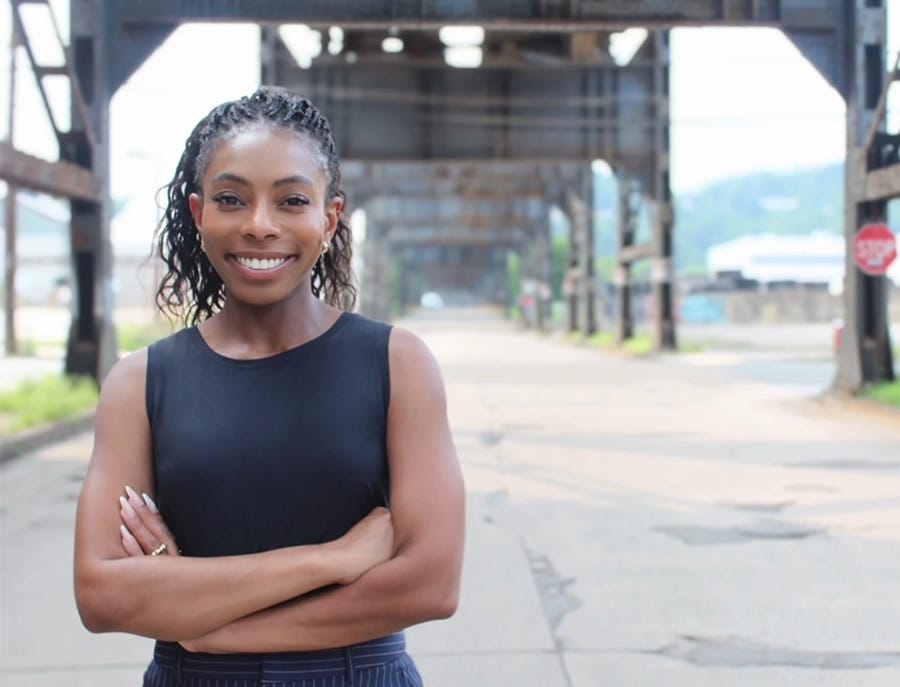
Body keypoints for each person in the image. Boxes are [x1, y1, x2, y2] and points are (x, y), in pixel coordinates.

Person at [73, 87, 466, 687]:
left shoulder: (396, 363)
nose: (260, 226)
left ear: (328, 219)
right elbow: (102, 594)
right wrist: (329, 559)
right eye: (232, 199)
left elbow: (431, 584)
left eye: (291, 201)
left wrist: (207, 626)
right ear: (199, 212)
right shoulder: (141, 382)